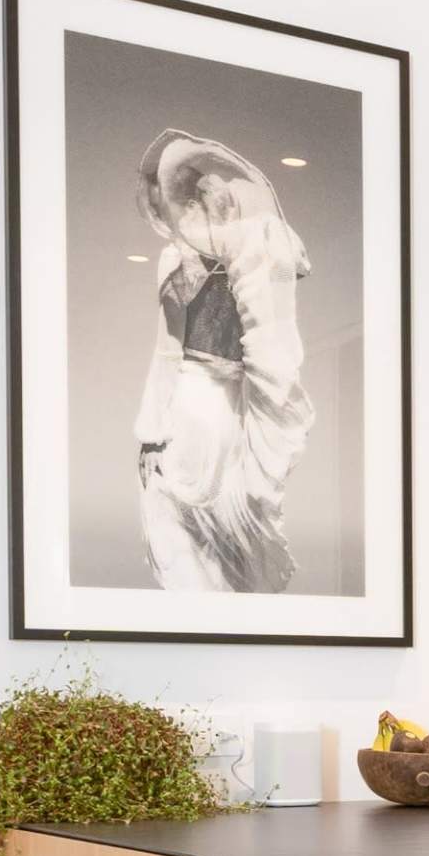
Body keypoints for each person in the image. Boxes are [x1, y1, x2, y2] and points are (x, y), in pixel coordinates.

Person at [129, 130, 311, 592]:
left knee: (180, 534)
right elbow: (269, 344)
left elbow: (169, 349)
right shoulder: (258, 252)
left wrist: (150, 433)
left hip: (191, 403)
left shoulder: (178, 260)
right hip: (235, 410)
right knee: (229, 543)